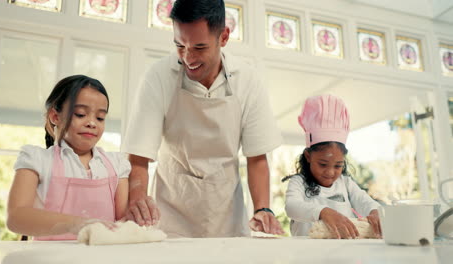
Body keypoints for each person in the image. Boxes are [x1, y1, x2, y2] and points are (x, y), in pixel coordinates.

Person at [122, 0, 284, 237]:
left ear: (224, 37)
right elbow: (138, 157)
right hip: (170, 214)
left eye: (199, 47)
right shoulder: (158, 76)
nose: (188, 58)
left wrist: (263, 209)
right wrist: (137, 202)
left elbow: (257, 156)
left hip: (226, 213)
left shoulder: (248, 80)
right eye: (180, 45)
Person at [7, 75, 130, 240]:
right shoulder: (37, 160)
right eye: (80, 114)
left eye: (100, 117)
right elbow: (16, 217)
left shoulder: (117, 164)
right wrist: (77, 224)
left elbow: (124, 222)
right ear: (55, 117)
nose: (92, 123)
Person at [284, 94, 381, 239]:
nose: (330, 172)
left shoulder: (346, 184)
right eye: (323, 164)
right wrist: (323, 211)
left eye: (338, 165)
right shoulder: (299, 182)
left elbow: (365, 201)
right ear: (308, 156)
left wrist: (375, 211)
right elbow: (291, 206)